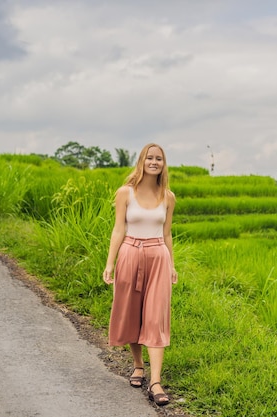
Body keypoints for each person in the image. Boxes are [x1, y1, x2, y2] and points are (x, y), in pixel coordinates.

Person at [102, 143, 177, 406]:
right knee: (132, 312)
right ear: (141, 161)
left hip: (158, 257)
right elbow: (117, 230)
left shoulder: (168, 197)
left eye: (159, 159)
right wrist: (110, 264)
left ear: (163, 164)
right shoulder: (125, 193)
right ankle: (138, 365)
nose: (154, 162)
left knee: (156, 318)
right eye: (150, 157)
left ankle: (155, 382)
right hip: (130, 253)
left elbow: (167, 233)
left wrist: (173, 266)